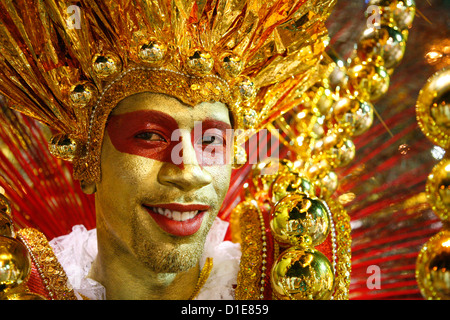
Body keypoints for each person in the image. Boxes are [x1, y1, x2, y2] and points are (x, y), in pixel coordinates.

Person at [0, 0, 343, 300]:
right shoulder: (18, 283)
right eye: (150, 136)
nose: (189, 171)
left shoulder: (290, 281)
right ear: (89, 159)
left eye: (211, 141)